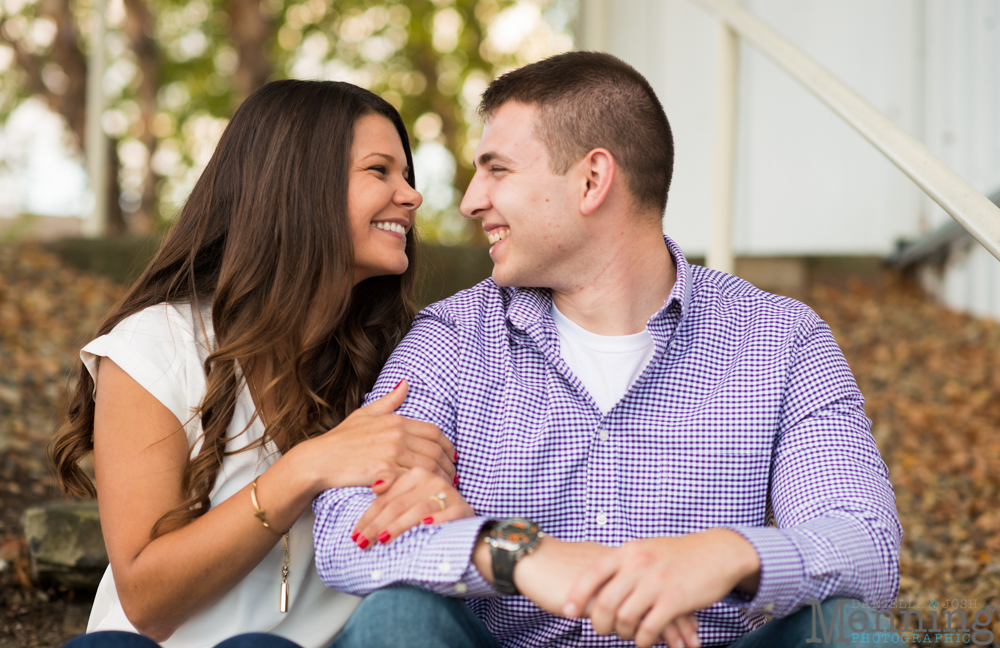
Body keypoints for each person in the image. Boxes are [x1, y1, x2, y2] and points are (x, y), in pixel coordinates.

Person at [311, 52, 902, 648]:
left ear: (592, 180)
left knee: (852, 634)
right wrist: (515, 551)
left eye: (497, 170)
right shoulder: (452, 339)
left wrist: (728, 553)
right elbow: (343, 534)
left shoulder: (780, 338)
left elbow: (867, 545)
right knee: (397, 620)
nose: (470, 201)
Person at [50, 79, 474, 648]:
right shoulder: (157, 346)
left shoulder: (409, 359)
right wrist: (306, 469)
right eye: (380, 171)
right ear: (300, 187)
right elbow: (147, 601)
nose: (412, 196)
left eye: (408, 176)